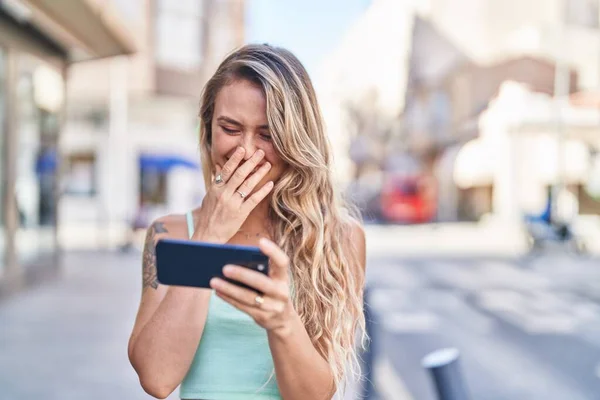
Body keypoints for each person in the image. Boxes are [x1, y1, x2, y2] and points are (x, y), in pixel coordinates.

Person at [127, 44, 367, 400]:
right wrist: (208, 236)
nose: (248, 150)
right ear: (207, 133)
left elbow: (316, 395)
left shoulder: (338, 239)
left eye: (267, 135)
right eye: (230, 128)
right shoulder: (170, 234)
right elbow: (157, 378)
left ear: (295, 142)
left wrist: (282, 321)